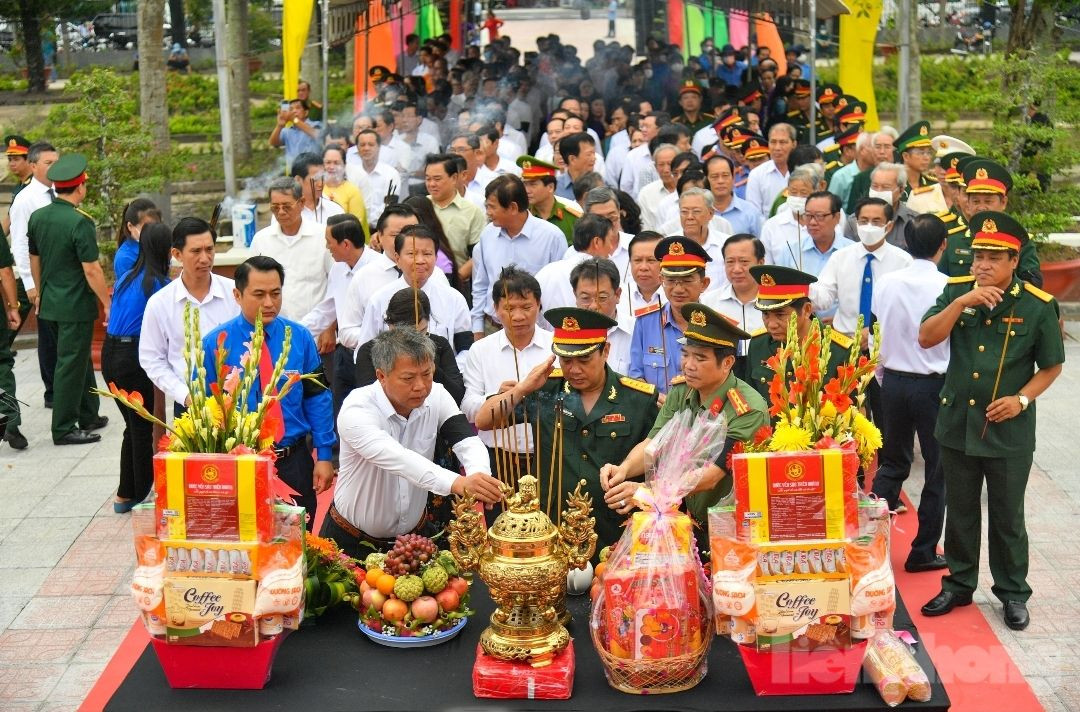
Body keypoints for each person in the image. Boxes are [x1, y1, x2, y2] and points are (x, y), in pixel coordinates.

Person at [919, 211, 1064, 632]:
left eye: (994, 257)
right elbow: (926, 336)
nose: (982, 264)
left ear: (1013, 260)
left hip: (1008, 430)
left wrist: (1022, 399)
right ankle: (959, 584)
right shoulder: (956, 292)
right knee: (960, 511)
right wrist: (963, 301)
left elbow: (1051, 366)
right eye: (978, 255)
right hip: (957, 423)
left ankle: (1013, 593)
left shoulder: (1037, 306)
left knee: (1007, 516)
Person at [476, 306, 659, 548]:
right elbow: (484, 421)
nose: (573, 369)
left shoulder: (637, 399)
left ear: (605, 351)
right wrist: (522, 389)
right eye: (566, 359)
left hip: (612, 530)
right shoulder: (544, 390)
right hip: (552, 528)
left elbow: (661, 462)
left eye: (584, 360)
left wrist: (641, 490)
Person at [327, 327, 502, 557]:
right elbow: (399, 459)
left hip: (413, 543)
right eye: (408, 378)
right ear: (381, 376)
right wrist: (458, 483)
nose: (421, 386)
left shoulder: (437, 394)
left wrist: (479, 478)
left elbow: (466, 438)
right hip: (350, 543)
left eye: (427, 374)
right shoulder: (357, 409)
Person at [602, 303, 768, 527]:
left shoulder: (747, 409)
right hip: (688, 519)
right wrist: (623, 469)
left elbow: (712, 475)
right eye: (685, 354)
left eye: (700, 359)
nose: (688, 365)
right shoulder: (681, 392)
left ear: (727, 363)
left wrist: (647, 491)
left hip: (733, 524)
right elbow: (653, 443)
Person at [203, 256, 336, 530]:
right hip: (241, 461)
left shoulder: (298, 338)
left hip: (293, 459)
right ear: (237, 295)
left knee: (298, 541)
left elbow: (317, 398)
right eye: (259, 294)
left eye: (275, 294)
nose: (269, 303)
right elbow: (204, 407)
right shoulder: (216, 344)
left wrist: (324, 455)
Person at [870, 214, 950, 573]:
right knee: (937, 469)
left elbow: (876, 324)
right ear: (943, 245)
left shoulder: (886, 282)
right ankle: (923, 551)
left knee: (892, 462)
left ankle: (867, 544)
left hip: (894, 382)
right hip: (934, 383)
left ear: (905, 243)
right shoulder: (948, 286)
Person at [27, 154, 110, 445]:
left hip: (49, 302)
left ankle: (89, 414)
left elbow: (34, 258)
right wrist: (108, 303)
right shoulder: (79, 222)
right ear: (80, 187)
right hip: (74, 306)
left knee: (79, 359)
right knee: (70, 364)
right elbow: (92, 269)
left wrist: (39, 292)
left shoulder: (39, 217)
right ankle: (63, 427)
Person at [103, 222, 171, 511]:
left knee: (132, 426)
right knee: (141, 427)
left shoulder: (127, 276)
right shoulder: (157, 284)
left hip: (110, 355)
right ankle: (142, 495)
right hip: (132, 356)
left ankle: (124, 494)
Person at [141, 218, 239, 417]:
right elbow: (151, 358)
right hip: (188, 404)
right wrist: (184, 395)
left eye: (209, 249)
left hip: (237, 400)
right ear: (177, 254)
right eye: (196, 251)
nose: (205, 258)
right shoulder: (160, 303)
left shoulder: (235, 292)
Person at [462, 267, 554, 473]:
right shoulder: (481, 350)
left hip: (548, 457)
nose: (518, 316)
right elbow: (468, 408)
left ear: (539, 305)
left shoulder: (556, 347)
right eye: (510, 308)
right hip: (498, 457)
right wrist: (497, 397)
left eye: (526, 307)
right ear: (496, 309)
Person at [300, 214, 384, 418]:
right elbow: (327, 310)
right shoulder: (338, 269)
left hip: (374, 356)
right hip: (344, 355)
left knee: (372, 415)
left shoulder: (380, 269)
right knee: (342, 415)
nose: (327, 248)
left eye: (330, 243)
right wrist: (295, 331)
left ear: (345, 244)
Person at [471, 175, 568, 338]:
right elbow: (481, 286)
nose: (488, 213)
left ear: (513, 208)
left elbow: (560, 291)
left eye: (492, 207)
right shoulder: (487, 234)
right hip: (493, 328)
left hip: (536, 332)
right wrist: (478, 329)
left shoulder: (552, 237)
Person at [741, 265, 853, 401]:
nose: (771, 324)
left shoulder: (840, 351)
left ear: (806, 310)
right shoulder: (759, 344)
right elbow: (749, 400)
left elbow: (856, 412)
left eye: (780, 315)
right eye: (765, 314)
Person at [358, 224, 472, 352]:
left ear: (436, 257)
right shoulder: (379, 299)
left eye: (427, 254)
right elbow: (364, 351)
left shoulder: (454, 299)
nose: (420, 260)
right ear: (397, 258)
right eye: (412, 254)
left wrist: (450, 371)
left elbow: (465, 349)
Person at [9, 141, 59, 410]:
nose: (54, 167)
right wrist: (30, 284)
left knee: (59, 335)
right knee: (48, 338)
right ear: (33, 165)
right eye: (48, 163)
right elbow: (19, 244)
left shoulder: (60, 192)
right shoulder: (25, 199)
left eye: (56, 162)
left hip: (59, 276)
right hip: (39, 280)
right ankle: (51, 391)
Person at [941, 158, 1042, 288]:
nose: (981, 207)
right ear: (968, 203)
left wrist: (1001, 278)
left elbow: (1033, 286)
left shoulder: (1020, 241)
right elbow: (939, 283)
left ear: (1003, 202)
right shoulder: (953, 240)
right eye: (976, 202)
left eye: (988, 202)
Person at [629, 237, 712, 394]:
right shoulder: (645, 322)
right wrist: (653, 398)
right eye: (671, 281)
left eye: (687, 281)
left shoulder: (717, 326)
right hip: (657, 413)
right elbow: (636, 375)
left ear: (704, 283)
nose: (678, 289)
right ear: (661, 280)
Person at [354, 288, 465, 405]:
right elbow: (369, 399)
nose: (416, 341)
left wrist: (432, 371)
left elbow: (458, 396)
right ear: (391, 325)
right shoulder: (370, 351)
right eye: (409, 334)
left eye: (422, 331)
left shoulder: (439, 345)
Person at [250, 176, 333, 322]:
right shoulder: (261, 240)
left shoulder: (322, 236)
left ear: (301, 203)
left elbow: (336, 282)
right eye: (275, 208)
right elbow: (251, 284)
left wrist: (331, 324)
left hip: (316, 329)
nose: (281, 212)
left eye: (286, 206)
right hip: (273, 328)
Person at [536, 214, 619, 317]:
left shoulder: (546, 272)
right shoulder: (606, 276)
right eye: (610, 241)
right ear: (597, 242)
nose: (611, 248)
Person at [702, 234, 766, 359]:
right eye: (730, 262)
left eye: (744, 262)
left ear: (761, 263)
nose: (736, 269)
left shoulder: (776, 302)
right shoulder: (708, 303)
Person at [425, 153, 485, 281]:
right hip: (421, 280)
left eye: (437, 179)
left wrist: (458, 277)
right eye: (428, 179)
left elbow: (479, 253)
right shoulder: (420, 206)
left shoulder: (472, 211)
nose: (431, 184)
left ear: (454, 178)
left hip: (456, 281)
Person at [572, 258, 634, 376]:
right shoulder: (565, 334)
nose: (594, 306)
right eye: (585, 298)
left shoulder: (636, 331)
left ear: (618, 295)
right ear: (575, 296)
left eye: (602, 298)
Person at [842, 162, 916, 249]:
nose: (879, 191)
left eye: (886, 187)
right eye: (875, 186)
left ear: (901, 190)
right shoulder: (854, 221)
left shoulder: (913, 222)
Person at [346, 129, 404, 229]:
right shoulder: (350, 174)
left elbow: (390, 205)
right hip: (354, 228)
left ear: (379, 147)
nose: (366, 148)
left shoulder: (391, 174)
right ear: (357, 148)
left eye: (371, 144)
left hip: (382, 228)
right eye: (362, 145)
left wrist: (369, 222)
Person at [517, 154, 581, 243]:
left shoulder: (572, 216)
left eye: (533, 184)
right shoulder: (521, 216)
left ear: (550, 187)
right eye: (525, 184)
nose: (527, 190)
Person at [705, 154, 764, 238]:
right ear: (706, 179)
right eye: (715, 176)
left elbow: (760, 247)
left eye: (725, 175)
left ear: (733, 178)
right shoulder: (700, 212)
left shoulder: (751, 212)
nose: (720, 181)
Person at [745, 123, 795, 217]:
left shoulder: (801, 171)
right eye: (773, 142)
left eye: (783, 142)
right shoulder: (757, 174)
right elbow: (754, 213)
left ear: (794, 144)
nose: (777, 148)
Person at [321, 145, 370, 239]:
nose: (331, 167)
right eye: (328, 162)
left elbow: (355, 225)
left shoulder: (352, 190)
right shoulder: (317, 188)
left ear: (344, 165)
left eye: (336, 163)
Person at [112, 198, 162, 281]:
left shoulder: (157, 245)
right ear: (130, 226)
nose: (152, 231)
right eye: (147, 227)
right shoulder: (125, 258)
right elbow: (132, 291)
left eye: (156, 226)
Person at [270, 98, 322, 168]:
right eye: (291, 109)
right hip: (293, 175)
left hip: (313, 173)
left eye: (298, 108)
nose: (294, 111)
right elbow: (273, 143)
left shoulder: (315, 124)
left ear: (306, 112)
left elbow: (317, 135)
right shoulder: (287, 130)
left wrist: (294, 120)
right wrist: (279, 125)